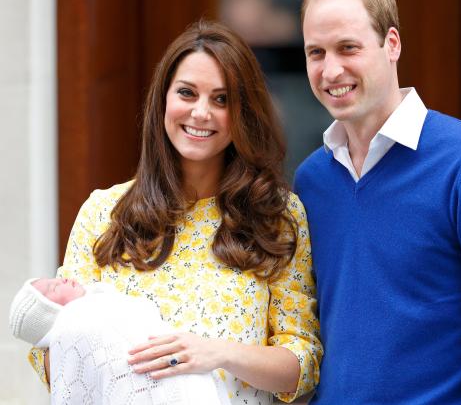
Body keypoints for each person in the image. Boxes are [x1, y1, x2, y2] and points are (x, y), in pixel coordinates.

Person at [28, 20, 322, 405]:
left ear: (244, 112)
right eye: (187, 93)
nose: (201, 113)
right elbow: (49, 349)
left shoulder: (277, 217)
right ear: (163, 99)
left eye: (222, 99)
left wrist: (218, 353)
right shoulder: (104, 212)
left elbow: (302, 365)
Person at [293, 0, 461, 404]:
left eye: (348, 48)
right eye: (315, 52)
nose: (331, 69)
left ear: (392, 44)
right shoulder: (312, 181)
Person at [10, 277, 230, 405]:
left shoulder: (104, 300)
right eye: (53, 288)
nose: (61, 279)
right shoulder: (77, 320)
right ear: (51, 314)